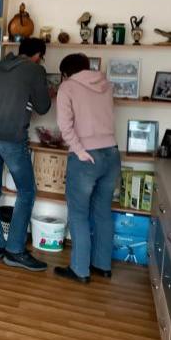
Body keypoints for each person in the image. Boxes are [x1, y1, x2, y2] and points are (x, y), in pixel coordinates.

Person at [0, 37, 51, 272]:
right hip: (11, 138)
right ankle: (15, 250)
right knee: (26, 191)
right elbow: (43, 106)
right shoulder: (34, 70)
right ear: (37, 55)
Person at [55, 53, 120, 283]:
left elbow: (64, 125)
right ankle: (102, 265)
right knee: (103, 211)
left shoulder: (67, 87)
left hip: (86, 156)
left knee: (78, 213)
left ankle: (80, 269)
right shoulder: (106, 84)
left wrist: (79, 150)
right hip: (112, 153)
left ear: (66, 73)